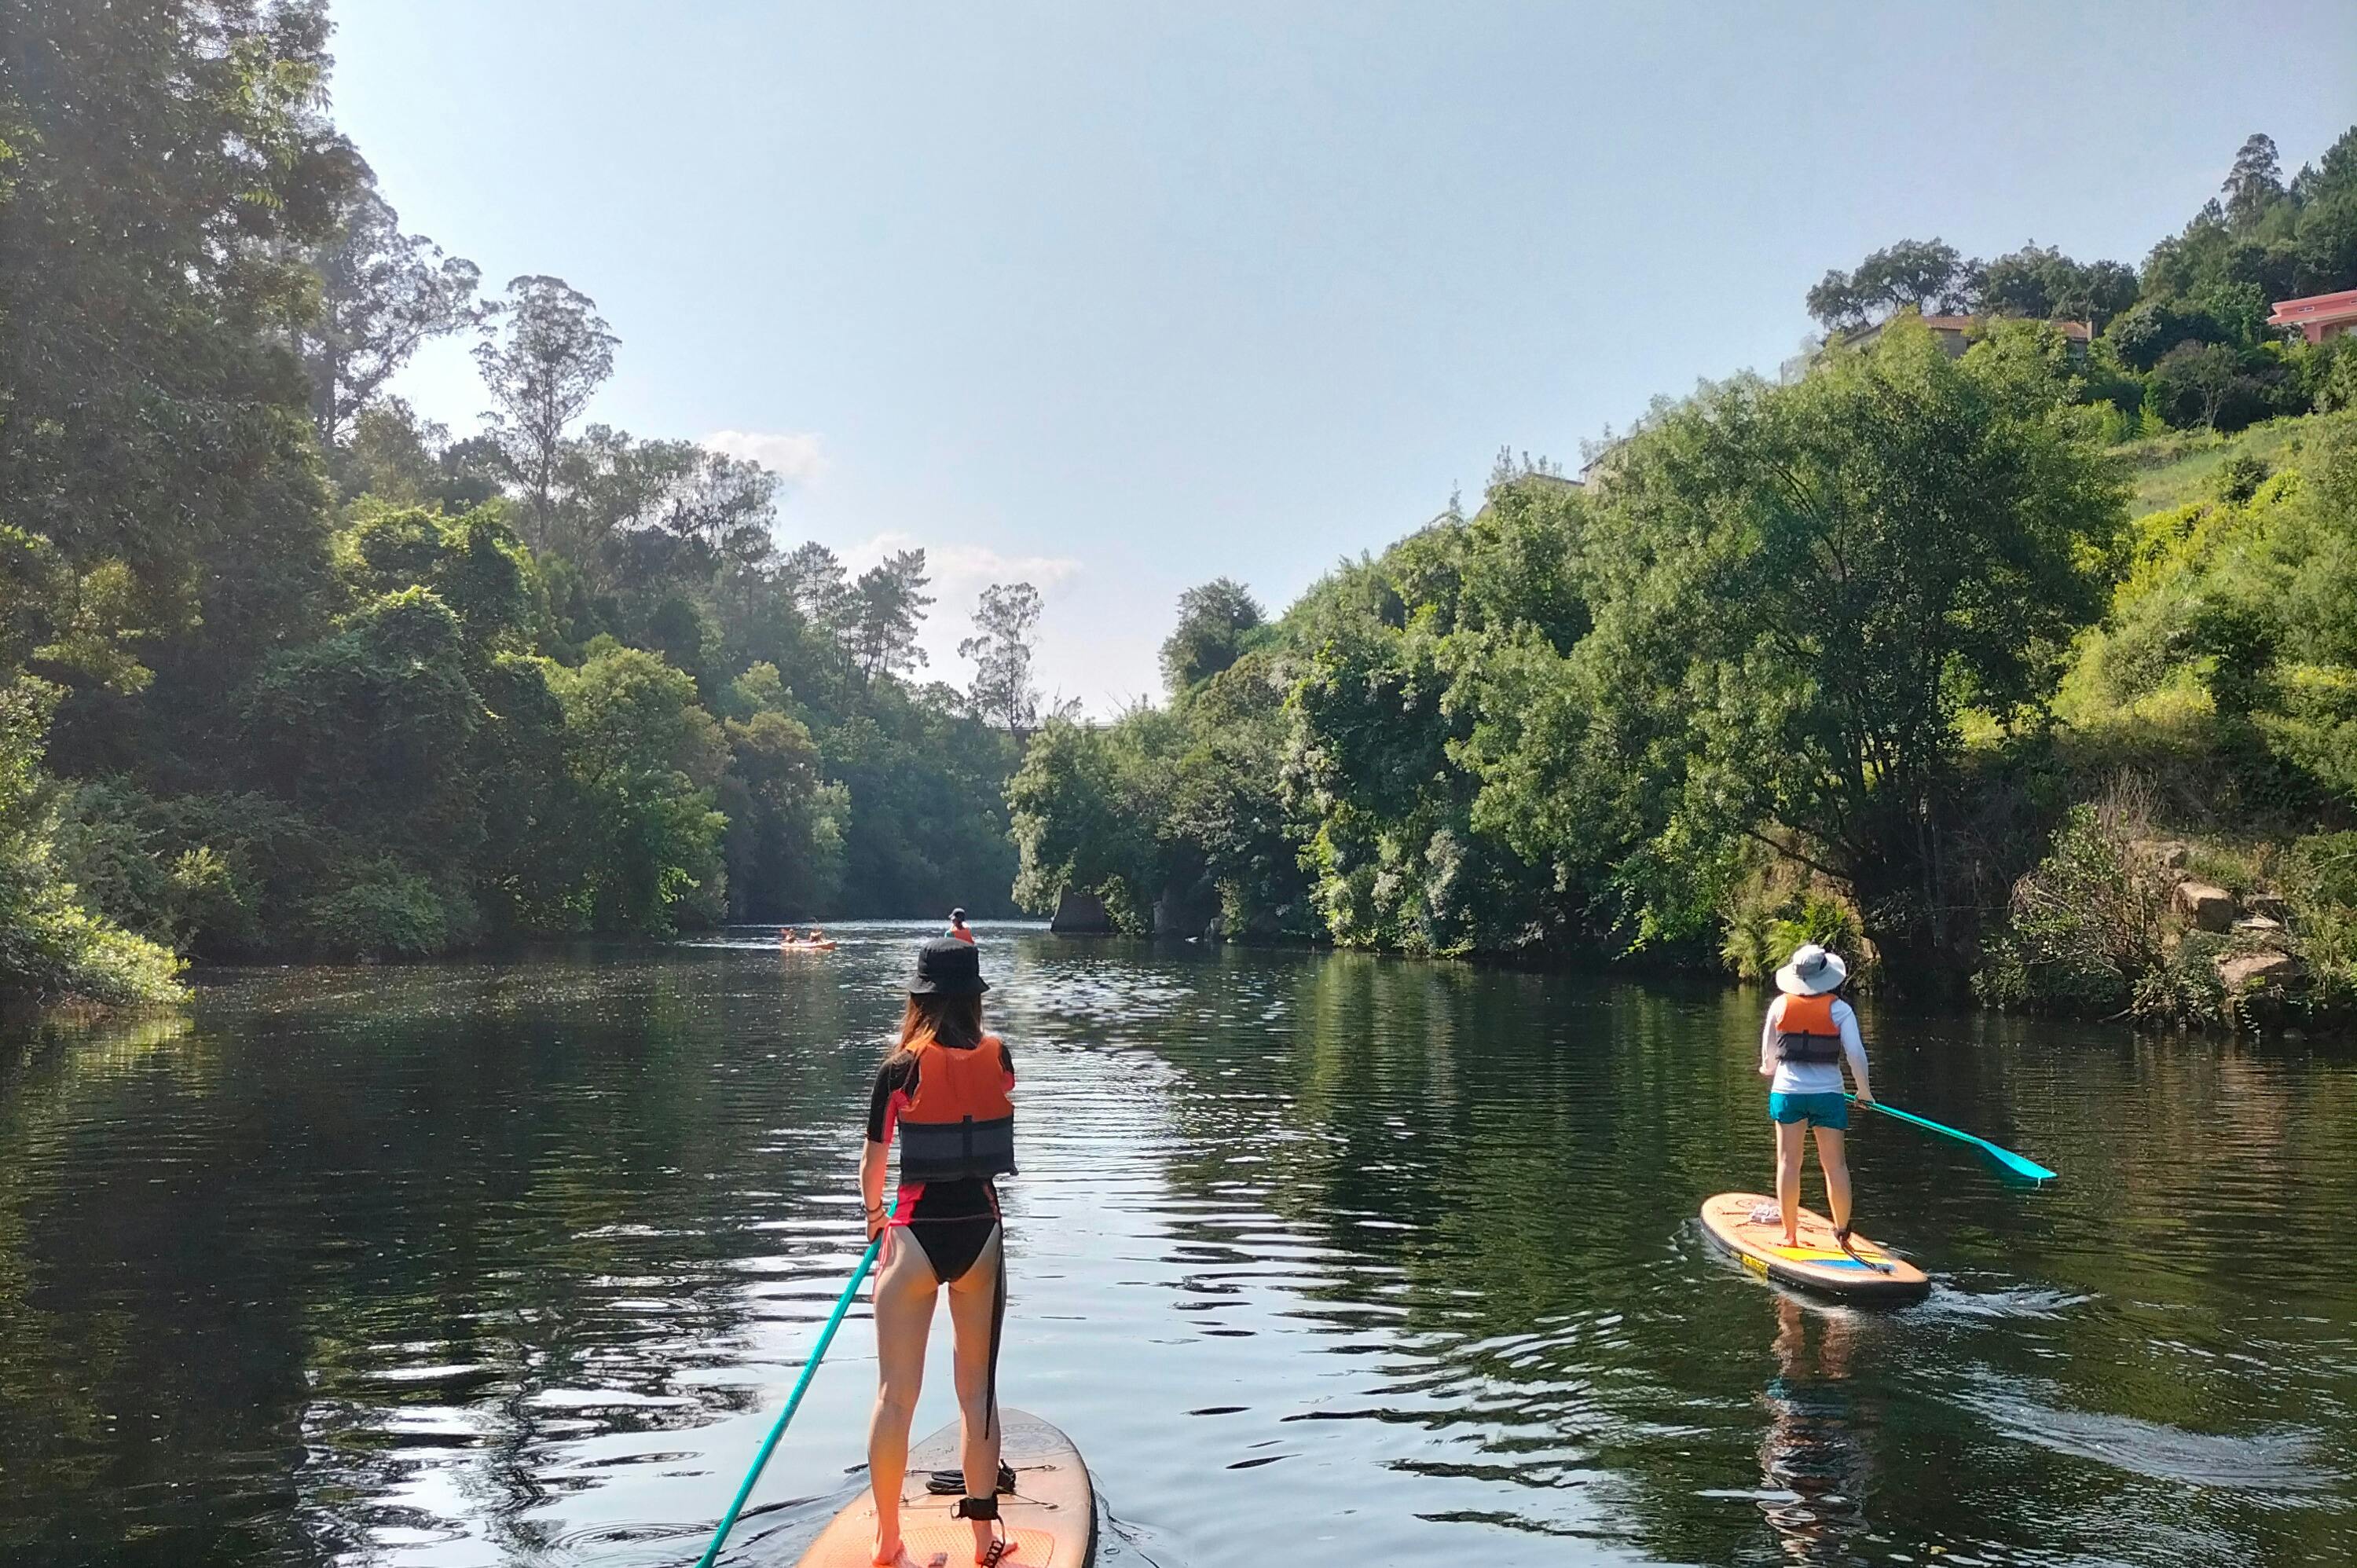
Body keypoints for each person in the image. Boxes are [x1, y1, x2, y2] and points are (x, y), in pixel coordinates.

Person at [861, 937, 1018, 1566]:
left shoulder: (899, 1069)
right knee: (977, 1392)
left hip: (913, 1232)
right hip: (979, 1231)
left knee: (895, 1397)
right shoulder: (1002, 1056)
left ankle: (888, 1542)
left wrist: (876, 1226)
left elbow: (873, 1167)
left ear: (919, 1000)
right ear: (973, 1000)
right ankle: (983, 1541)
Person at [1758, 943, 1875, 1251]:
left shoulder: (1780, 1006)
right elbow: (1856, 1054)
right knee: (1835, 1166)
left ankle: (1790, 1235)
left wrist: (1769, 1068)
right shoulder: (1840, 1009)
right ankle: (1842, 1233)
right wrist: (1864, 1092)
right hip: (1828, 1095)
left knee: (1788, 1163)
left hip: (1788, 1093)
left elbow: (1768, 1056)